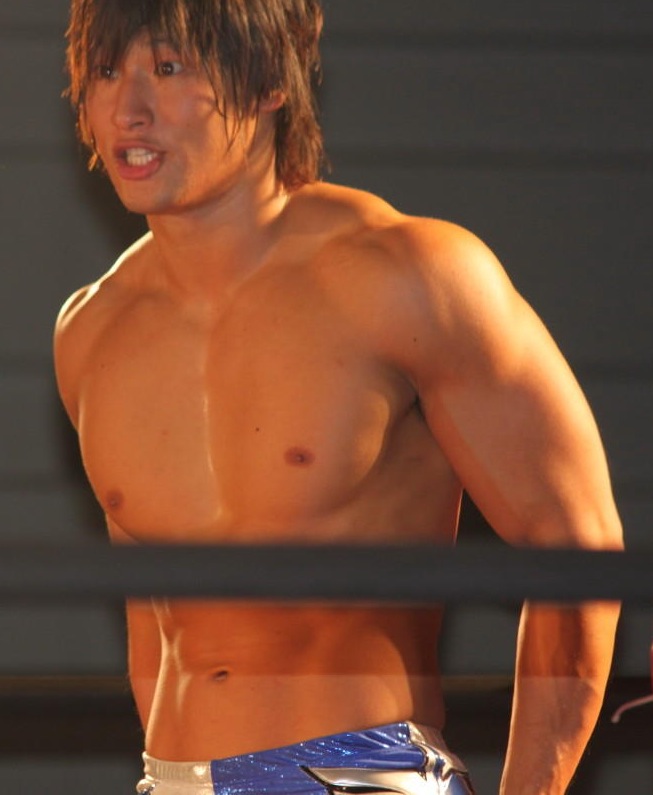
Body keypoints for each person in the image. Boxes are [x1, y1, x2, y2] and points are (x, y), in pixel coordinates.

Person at [54, 1, 623, 793]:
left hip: (357, 771)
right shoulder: (90, 331)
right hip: (171, 775)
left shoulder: (408, 276)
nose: (128, 108)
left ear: (269, 85)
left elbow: (577, 547)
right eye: (106, 71)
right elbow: (154, 621)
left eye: (170, 67)